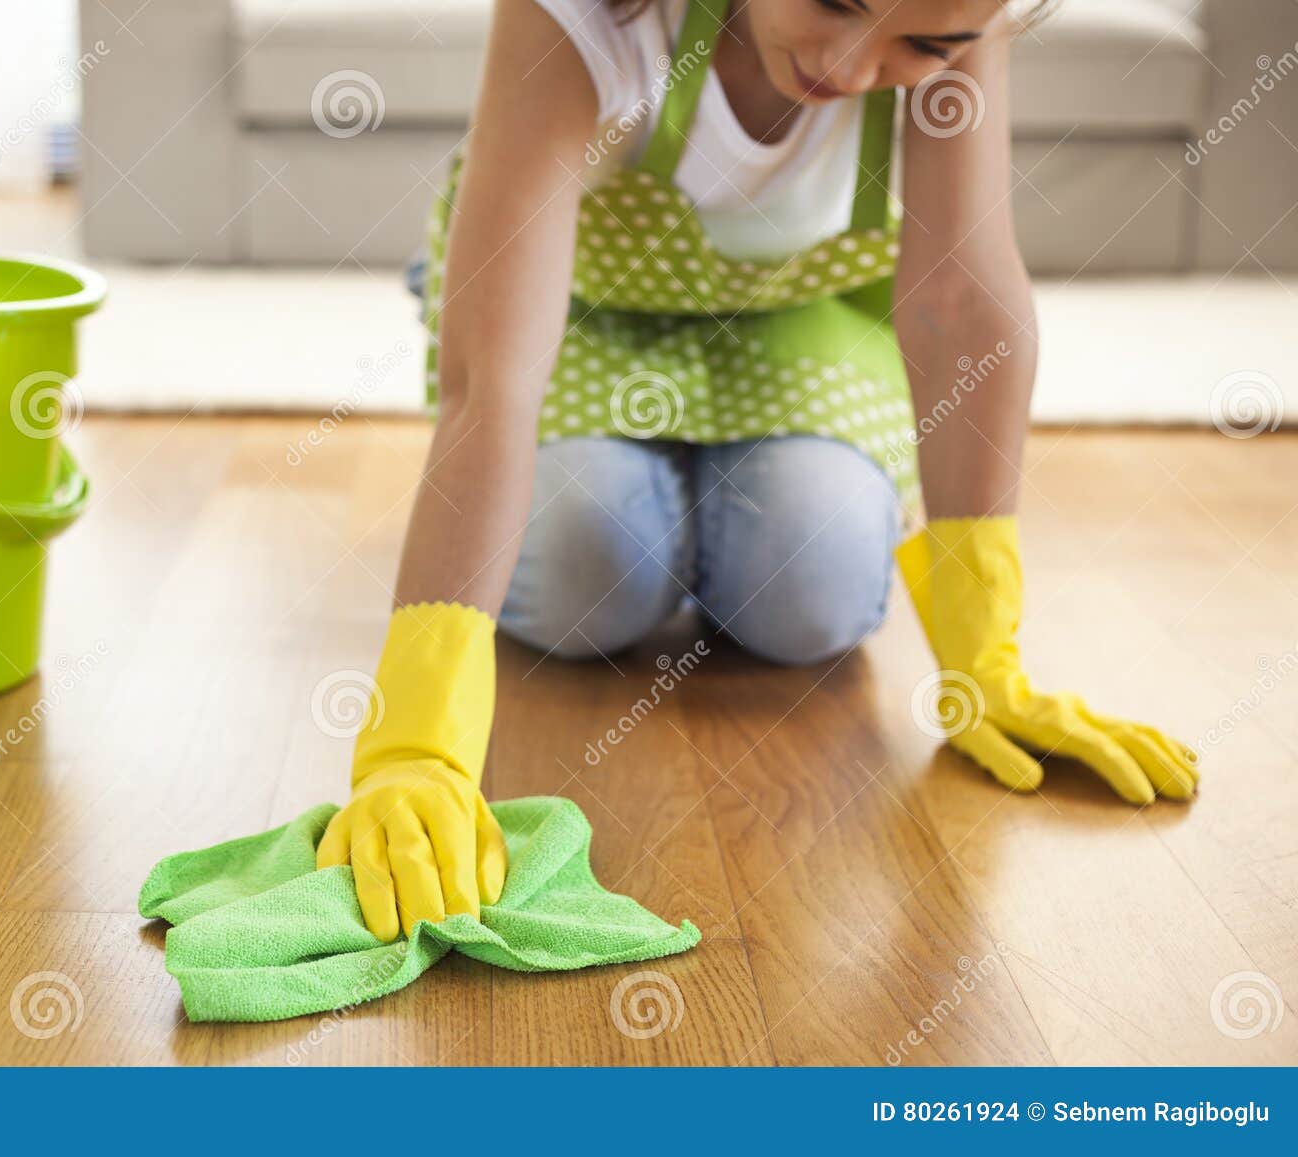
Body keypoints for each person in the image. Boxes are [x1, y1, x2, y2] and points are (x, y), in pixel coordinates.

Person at [316, 0, 1200, 943]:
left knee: (809, 585)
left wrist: (988, 654)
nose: (852, 69)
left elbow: (960, 301)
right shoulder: (585, 18)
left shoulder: (958, 11)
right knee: (592, 562)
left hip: (796, 317)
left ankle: (709, 505)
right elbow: (491, 382)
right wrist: (418, 742)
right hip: (577, 310)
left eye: (921, 46)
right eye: (835, 4)